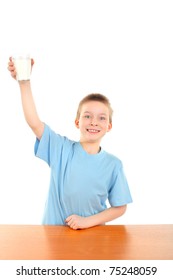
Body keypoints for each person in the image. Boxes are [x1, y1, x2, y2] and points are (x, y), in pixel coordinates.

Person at [8, 57, 132, 230]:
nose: (94, 122)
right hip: (53, 237)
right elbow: (34, 122)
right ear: (77, 122)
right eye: (87, 116)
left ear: (109, 126)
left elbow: (120, 207)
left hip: (93, 239)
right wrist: (24, 83)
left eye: (101, 118)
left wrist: (86, 221)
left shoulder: (113, 165)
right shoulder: (60, 148)